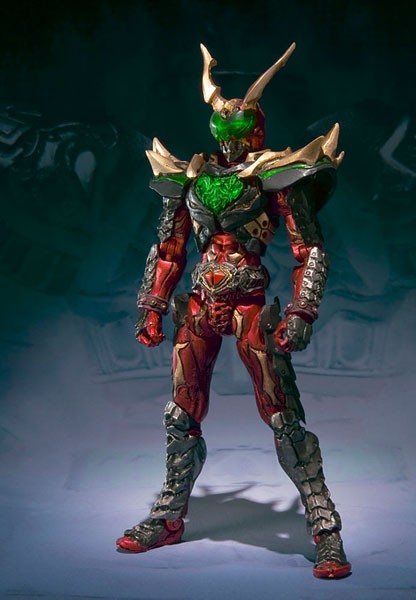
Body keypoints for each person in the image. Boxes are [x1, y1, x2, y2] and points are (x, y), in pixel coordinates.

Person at [116, 42, 351, 579]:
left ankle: (324, 526)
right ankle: (169, 516)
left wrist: (302, 310)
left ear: (256, 132)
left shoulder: (275, 175)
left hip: (250, 306)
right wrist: (151, 305)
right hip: (199, 303)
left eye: (242, 133)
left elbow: (308, 249)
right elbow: (169, 248)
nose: (232, 143)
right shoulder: (191, 177)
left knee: (282, 414)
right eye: (225, 132)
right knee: (181, 412)